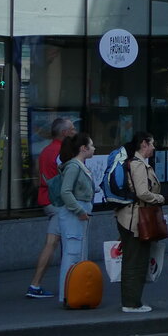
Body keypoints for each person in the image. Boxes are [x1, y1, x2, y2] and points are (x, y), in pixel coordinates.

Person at [25, 116, 75, 298]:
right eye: (72, 129)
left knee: (55, 242)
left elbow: (38, 176)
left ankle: (43, 284)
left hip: (47, 200)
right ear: (64, 133)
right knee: (55, 243)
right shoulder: (62, 152)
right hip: (57, 203)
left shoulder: (46, 150)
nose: (74, 131)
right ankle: (37, 285)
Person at [115, 131, 165, 313]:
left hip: (131, 218)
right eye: (152, 144)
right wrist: (159, 198)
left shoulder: (137, 164)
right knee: (135, 261)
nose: (154, 147)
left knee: (134, 260)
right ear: (144, 144)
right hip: (134, 220)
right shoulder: (137, 165)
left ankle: (132, 301)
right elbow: (142, 193)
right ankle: (131, 303)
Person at [55, 131, 95, 305]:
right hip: (75, 214)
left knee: (78, 253)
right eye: (91, 145)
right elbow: (65, 191)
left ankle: (75, 293)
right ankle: (67, 295)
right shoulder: (73, 166)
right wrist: (79, 211)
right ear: (83, 148)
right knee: (72, 254)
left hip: (79, 212)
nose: (94, 148)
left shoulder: (79, 166)